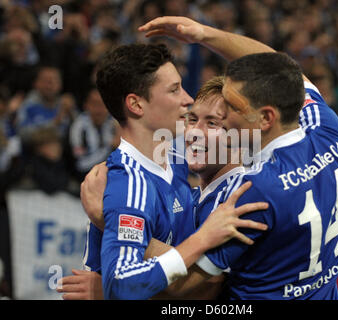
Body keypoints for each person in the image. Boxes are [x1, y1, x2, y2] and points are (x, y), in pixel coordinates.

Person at [78, 16, 338, 300]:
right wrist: (204, 34)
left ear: (265, 117)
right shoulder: (327, 131)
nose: (196, 129)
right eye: (193, 118)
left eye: (224, 115)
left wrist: (110, 228)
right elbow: (284, 72)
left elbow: (200, 291)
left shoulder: (248, 193)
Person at [63, 42, 268, 300]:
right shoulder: (128, 186)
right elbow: (121, 286)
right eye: (174, 90)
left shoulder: (174, 160)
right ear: (136, 105)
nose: (188, 99)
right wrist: (202, 239)